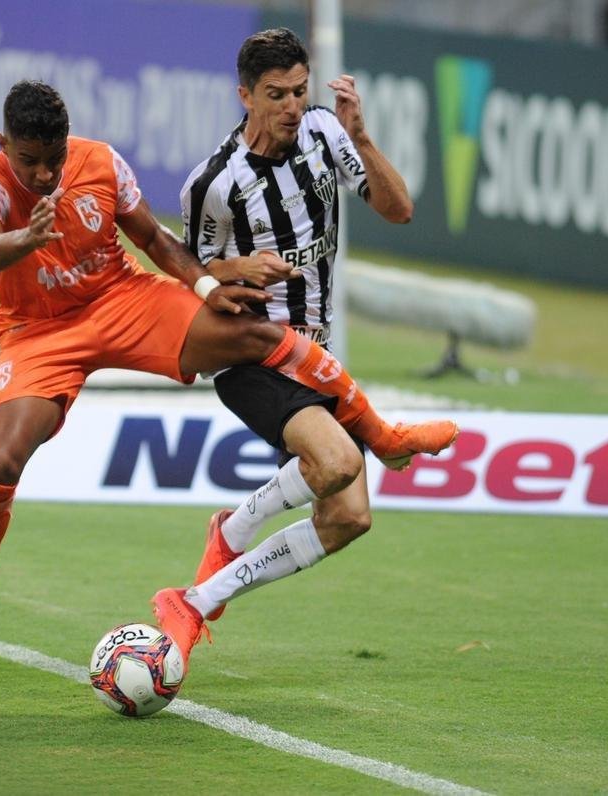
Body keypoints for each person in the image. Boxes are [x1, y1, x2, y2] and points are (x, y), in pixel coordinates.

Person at [0, 79, 456, 665]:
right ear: (5, 145)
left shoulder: (101, 163)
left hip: (121, 300)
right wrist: (28, 235)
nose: (45, 174)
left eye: (56, 157)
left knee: (252, 330)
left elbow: (153, 237)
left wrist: (205, 286)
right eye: (30, 161)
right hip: (39, 332)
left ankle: (381, 434)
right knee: (2, 457)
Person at [151, 28, 456, 665]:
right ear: (245, 96)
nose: (292, 106)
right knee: (339, 463)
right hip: (251, 356)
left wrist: (361, 136)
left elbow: (398, 209)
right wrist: (238, 269)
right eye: (276, 95)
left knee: (349, 518)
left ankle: (200, 596)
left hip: (318, 356)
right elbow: (189, 278)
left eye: (299, 91)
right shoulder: (215, 184)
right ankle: (235, 531)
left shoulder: (324, 132)